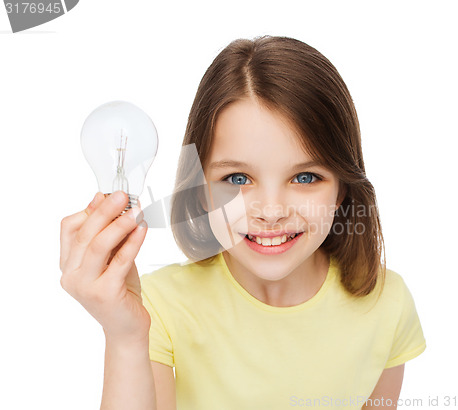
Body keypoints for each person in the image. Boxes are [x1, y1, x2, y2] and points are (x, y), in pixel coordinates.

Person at [60, 35, 426, 410]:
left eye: (305, 178)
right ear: (199, 188)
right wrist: (125, 338)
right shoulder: (158, 307)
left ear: (343, 188)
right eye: (237, 179)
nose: (271, 211)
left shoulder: (388, 304)